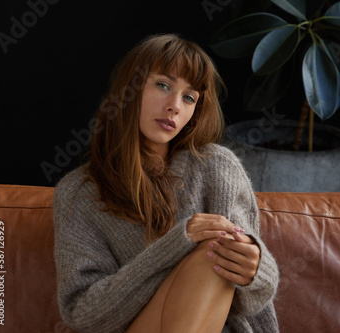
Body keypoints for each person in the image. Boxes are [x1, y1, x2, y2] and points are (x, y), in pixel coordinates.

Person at [52, 34, 279, 333]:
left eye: (189, 97)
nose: (174, 106)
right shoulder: (78, 193)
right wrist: (176, 243)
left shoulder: (216, 168)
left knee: (217, 247)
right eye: (163, 85)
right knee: (211, 249)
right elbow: (82, 313)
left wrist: (255, 268)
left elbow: (252, 292)